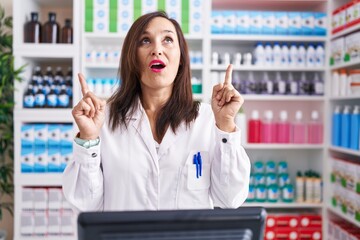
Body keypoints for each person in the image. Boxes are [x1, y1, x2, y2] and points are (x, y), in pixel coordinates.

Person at [62, 11, 250, 212]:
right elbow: (84, 204)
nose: (157, 49)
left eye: (168, 39)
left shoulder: (207, 120)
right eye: (145, 41)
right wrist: (89, 138)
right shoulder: (104, 121)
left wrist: (227, 125)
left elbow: (231, 198)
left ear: (181, 58)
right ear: (132, 57)